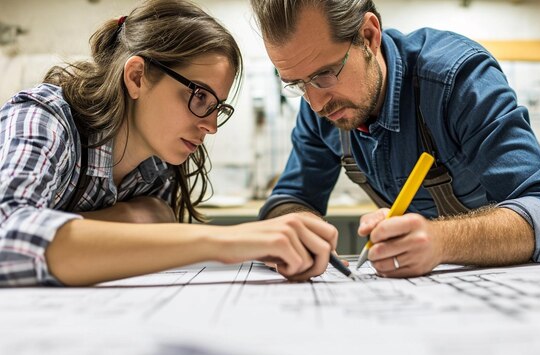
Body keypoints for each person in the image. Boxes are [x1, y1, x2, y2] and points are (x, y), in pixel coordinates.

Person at [0, 0, 338, 287]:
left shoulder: (156, 165)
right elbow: (8, 238)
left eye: (218, 106)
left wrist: (150, 220)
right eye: (200, 96)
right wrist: (226, 240)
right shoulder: (44, 116)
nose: (211, 125)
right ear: (136, 77)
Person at [250, 0, 540, 277]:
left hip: (514, 283)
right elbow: (287, 200)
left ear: (369, 35)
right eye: (296, 84)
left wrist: (441, 240)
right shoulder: (321, 107)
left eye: (325, 75)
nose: (316, 102)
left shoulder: (456, 79)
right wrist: (298, 226)